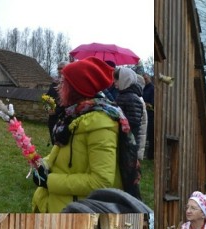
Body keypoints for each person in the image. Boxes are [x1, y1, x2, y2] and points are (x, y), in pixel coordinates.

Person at [32, 57, 127, 213]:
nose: (58, 88)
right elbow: (60, 149)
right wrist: (43, 165)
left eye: (63, 83)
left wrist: (50, 181)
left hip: (76, 210)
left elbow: (101, 181)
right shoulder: (72, 114)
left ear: (77, 89)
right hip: (59, 203)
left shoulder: (100, 125)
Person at [114, 67, 144, 199]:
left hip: (129, 143)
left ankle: (134, 201)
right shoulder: (123, 95)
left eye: (117, 79)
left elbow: (133, 124)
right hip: (124, 141)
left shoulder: (131, 99)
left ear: (125, 80)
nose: (115, 83)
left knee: (129, 175)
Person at [46, 61, 67, 143]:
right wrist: (48, 108)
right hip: (52, 118)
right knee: (53, 139)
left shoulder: (68, 83)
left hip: (62, 117)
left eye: (62, 68)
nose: (59, 70)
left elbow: (67, 102)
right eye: (58, 68)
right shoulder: (54, 82)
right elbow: (47, 97)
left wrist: (56, 111)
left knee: (61, 141)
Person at [142, 73, 154, 160]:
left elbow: (152, 104)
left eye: (146, 79)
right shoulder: (143, 89)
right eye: (144, 79)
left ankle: (150, 156)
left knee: (150, 135)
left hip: (150, 114)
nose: (145, 80)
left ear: (149, 78)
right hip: (144, 114)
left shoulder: (152, 89)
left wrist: (144, 104)